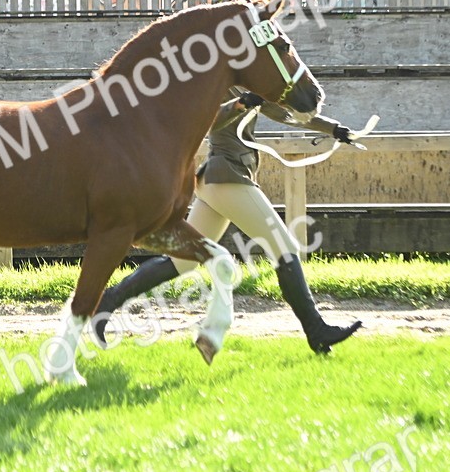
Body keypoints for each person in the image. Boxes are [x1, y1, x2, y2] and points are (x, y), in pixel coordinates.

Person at [93, 89, 363, 354]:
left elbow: (287, 114)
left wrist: (334, 129)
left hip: (219, 181)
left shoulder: (251, 84)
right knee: (284, 249)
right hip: (227, 178)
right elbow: (207, 122)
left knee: (182, 261)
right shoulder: (219, 85)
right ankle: (316, 330)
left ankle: (108, 300)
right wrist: (240, 104)